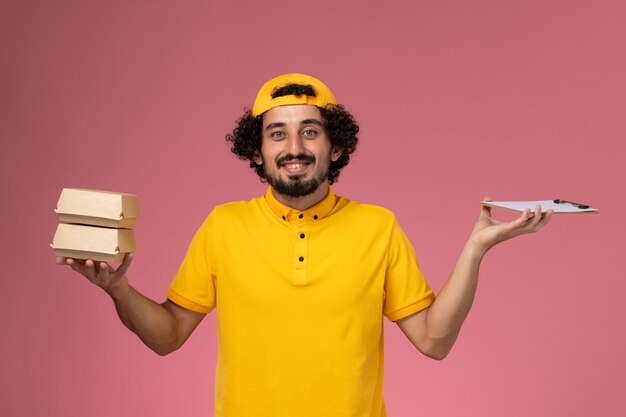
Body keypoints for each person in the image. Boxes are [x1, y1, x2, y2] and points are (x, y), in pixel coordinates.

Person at [56, 73, 552, 417]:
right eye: (278, 134)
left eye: (309, 131)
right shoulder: (223, 225)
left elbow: (433, 342)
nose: (294, 147)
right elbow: (167, 337)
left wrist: (476, 248)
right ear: (258, 150)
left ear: (335, 147)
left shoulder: (378, 227)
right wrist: (118, 290)